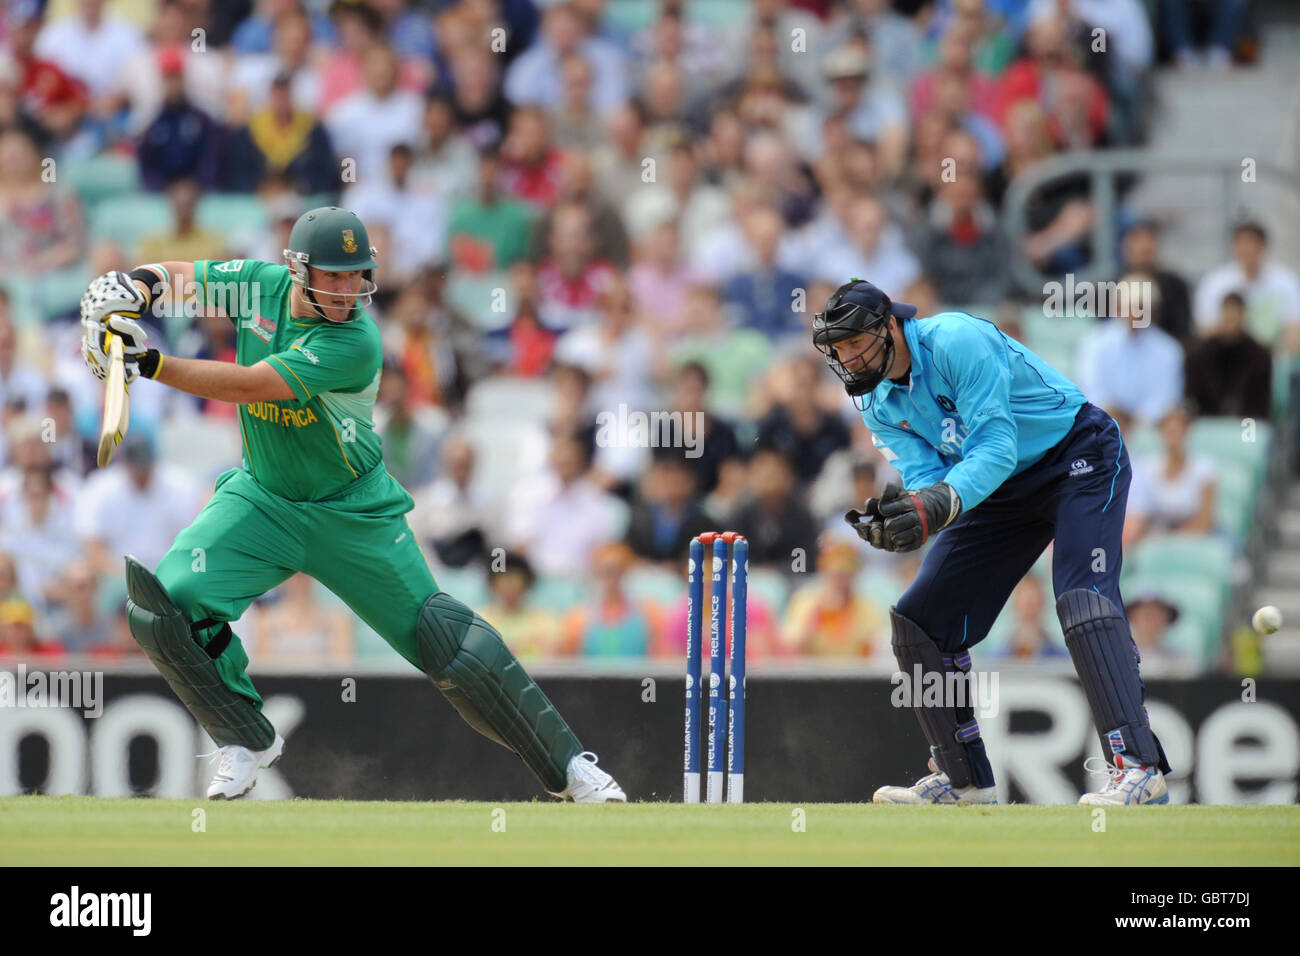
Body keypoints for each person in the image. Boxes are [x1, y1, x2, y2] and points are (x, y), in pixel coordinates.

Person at [78, 205, 624, 802]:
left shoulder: (356, 340)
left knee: (447, 643)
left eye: (354, 274)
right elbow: (187, 279)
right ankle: (244, 736)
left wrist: (147, 363)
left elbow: (253, 384)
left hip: (352, 513)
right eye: (332, 275)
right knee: (168, 603)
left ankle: (572, 769)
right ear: (295, 268)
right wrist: (135, 285)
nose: (345, 289)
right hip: (265, 498)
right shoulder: (258, 285)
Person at [814, 278, 1171, 806]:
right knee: (920, 624)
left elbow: (997, 447)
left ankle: (1139, 767)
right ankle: (963, 780)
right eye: (838, 349)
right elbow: (926, 476)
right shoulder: (876, 401)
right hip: (997, 490)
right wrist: (909, 519)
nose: (848, 357)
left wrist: (935, 505)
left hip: (1076, 456)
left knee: (1082, 600)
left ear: (890, 325)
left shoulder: (956, 339)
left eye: (855, 341)